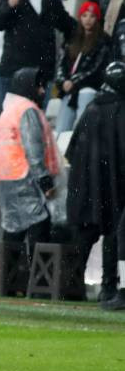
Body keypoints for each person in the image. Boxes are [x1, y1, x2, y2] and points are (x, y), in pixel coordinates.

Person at [66, 62, 125, 309]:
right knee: (114, 234)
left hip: (86, 185)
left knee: (84, 235)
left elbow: (71, 152)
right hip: (115, 185)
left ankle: (71, 285)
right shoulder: (121, 110)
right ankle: (109, 287)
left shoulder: (91, 109)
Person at [0, 67, 63, 267]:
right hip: (26, 177)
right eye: (39, 86)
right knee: (39, 225)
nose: (42, 91)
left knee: (14, 229)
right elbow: (33, 149)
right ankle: (39, 280)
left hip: (8, 176)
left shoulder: (9, 109)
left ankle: (6, 277)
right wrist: (45, 180)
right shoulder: (27, 110)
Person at [0, 0, 77, 98]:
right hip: (14, 69)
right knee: (14, 115)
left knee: (39, 115)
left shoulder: (52, 1)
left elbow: (68, 25)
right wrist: (8, 6)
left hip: (42, 71)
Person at [55, 2, 112, 133]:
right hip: (69, 90)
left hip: (89, 89)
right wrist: (62, 81)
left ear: (97, 19)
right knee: (61, 129)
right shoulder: (72, 38)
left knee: (83, 127)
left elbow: (96, 69)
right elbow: (61, 63)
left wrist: (73, 82)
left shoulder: (103, 41)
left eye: (92, 16)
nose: (88, 19)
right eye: (84, 15)